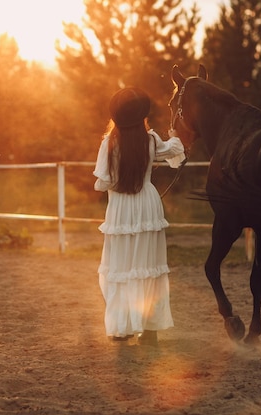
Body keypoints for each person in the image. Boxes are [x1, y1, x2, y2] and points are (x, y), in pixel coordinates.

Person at [93, 87, 185, 346]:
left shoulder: (109, 143)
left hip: (122, 206)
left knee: (122, 265)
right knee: (148, 265)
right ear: (142, 116)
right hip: (147, 204)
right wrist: (175, 133)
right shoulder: (151, 140)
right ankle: (150, 329)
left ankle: (122, 328)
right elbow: (175, 149)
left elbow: (104, 182)